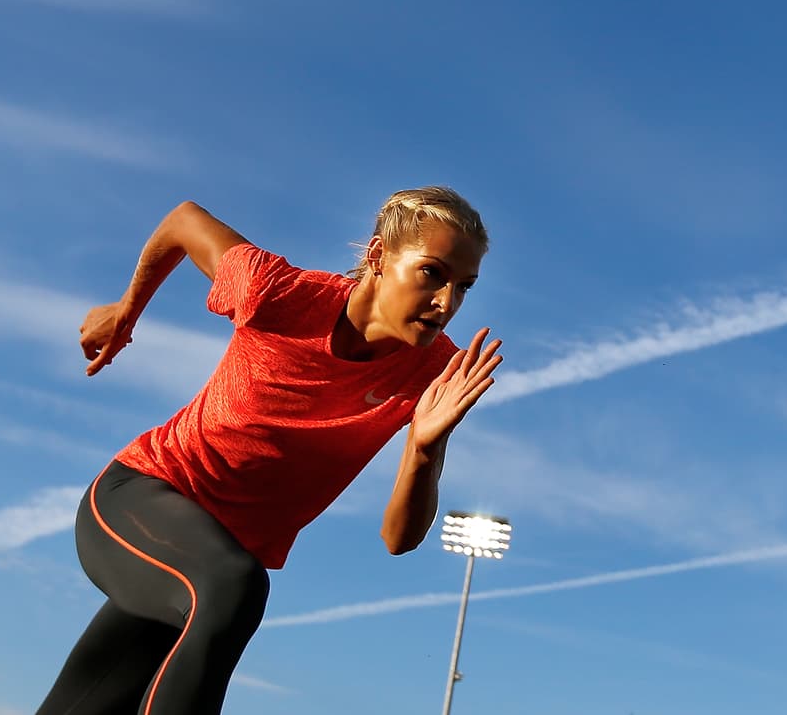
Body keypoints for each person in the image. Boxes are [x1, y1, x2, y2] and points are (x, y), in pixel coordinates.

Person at [35, 187, 502, 715]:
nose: (447, 303)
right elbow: (184, 221)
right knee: (234, 587)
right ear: (378, 256)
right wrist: (126, 311)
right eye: (432, 273)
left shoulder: (435, 373)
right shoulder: (277, 292)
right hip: (138, 500)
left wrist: (424, 445)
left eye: (464, 287)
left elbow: (399, 539)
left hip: (209, 563)